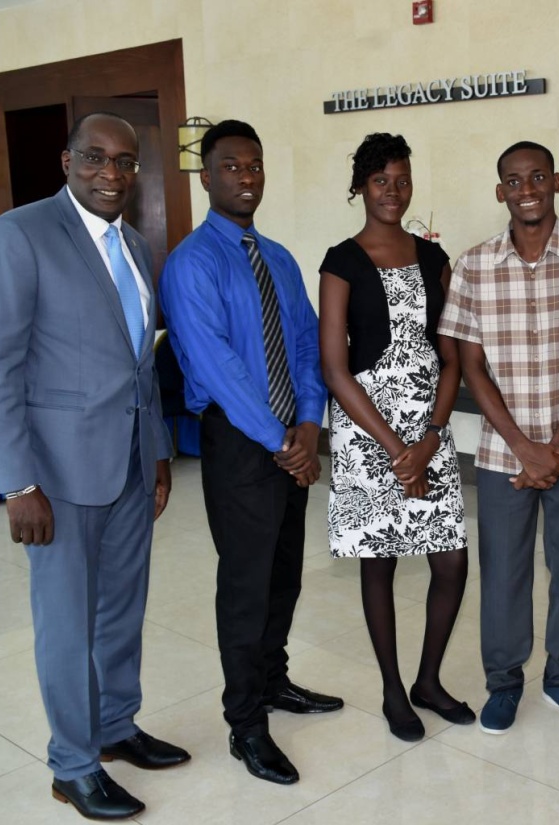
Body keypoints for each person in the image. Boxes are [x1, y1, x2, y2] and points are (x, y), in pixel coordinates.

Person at [0, 112, 188, 820]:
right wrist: (17, 481)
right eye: (95, 158)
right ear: (66, 161)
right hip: (56, 478)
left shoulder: (136, 246)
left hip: (126, 465)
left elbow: (138, 366)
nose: (111, 173)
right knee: (65, 623)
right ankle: (73, 763)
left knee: (121, 610)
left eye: (125, 162)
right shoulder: (18, 236)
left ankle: (116, 726)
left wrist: (156, 450)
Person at [160, 119, 342, 786]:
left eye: (255, 166)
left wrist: (309, 422)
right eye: (231, 166)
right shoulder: (191, 262)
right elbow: (218, 362)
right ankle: (245, 723)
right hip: (240, 442)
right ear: (205, 176)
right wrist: (280, 440)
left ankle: (273, 680)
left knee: (284, 571)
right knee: (244, 583)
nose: (246, 177)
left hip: (289, 434)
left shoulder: (280, 258)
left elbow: (303, 343)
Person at [438, 141, 559, 735]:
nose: (527, 189)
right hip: (502, 454)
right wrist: (525, 448)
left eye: (538, 177)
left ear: (556, 182)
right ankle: (504, 682)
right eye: (514, 180)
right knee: (504, 571)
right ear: (501, 191)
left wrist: (555, 449)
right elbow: (471, 366)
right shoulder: (472, 265)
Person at [319, 133, 470, 742]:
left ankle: (428, 680)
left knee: (452, 561)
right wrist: (394, 448)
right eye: (381, 181)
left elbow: (452, 357)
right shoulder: (341, 261)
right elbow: (335, 366)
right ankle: (391, 689)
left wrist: (429, 436)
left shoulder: (435, 259)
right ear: (360, 186)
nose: (393, 192)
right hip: (365, 431)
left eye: (402, 180)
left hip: (428, 426)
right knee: (378, 563)